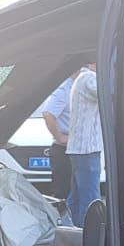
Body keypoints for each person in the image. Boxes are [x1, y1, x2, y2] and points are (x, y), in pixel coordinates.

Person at [64, 61, 102, 228]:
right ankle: (90, 233)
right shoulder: (89, 78)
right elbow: (108, 92)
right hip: (87, 148)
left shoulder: (80, 79)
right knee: (90, 198)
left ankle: (71, 229)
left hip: (79, 148)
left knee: (77, 196)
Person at [38, 68, 79, 220]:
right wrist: (59, 136)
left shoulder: (77, 87)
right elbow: (48, 113)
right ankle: (62, 225)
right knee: (63, 193)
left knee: (74, 192)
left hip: (73, 148)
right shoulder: (65, 89)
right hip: (63, 149)